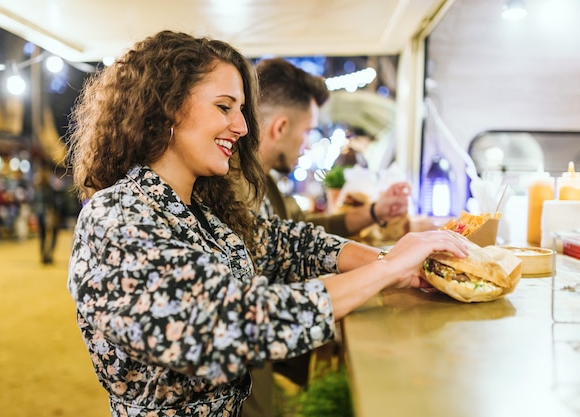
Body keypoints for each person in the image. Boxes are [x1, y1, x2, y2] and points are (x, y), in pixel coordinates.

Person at [66, 30, 468, 417]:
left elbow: (285, 243)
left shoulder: (200, 211)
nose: (241, 127)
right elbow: (236, 321)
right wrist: (388, 267)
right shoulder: (115, 216)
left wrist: (393, 260)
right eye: (224, 107)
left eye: (241, 110)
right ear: (165, 107)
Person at [242, 58, 412, 417]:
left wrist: (375, 215)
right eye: (307, 133)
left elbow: (300, 236)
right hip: (246, 372)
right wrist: (387, 266)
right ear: (281, 127)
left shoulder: (263, 182)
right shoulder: (237, 189)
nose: (307, 146)